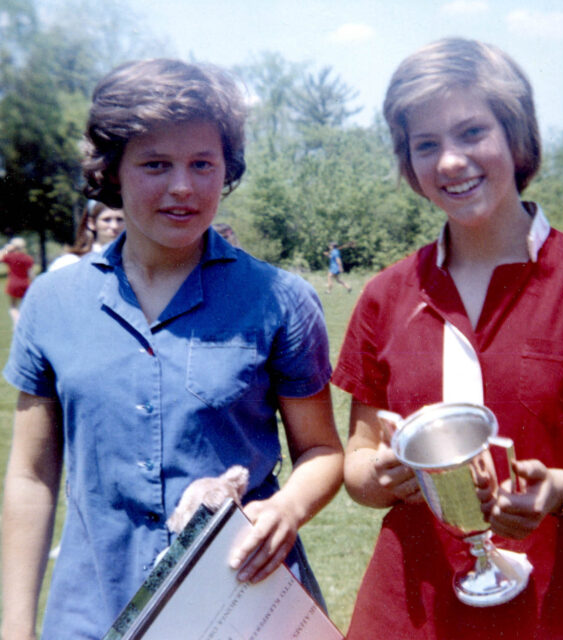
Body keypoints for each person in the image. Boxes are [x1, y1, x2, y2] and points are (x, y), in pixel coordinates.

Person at [1, 58, 344, 640]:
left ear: (226, 169)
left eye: (202, 164)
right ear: (113, 172)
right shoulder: (50, 302)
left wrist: (286, 511)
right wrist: (13, 627)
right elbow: (32, 475)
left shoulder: (282, 300)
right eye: (156, 164)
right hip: (94, 614)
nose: (182, 186)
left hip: (241, 606)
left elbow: (322, 452)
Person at [332, 38, 563, 639]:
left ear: (516, 137)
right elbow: (357, 465)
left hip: (557, 616)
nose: (450, 161)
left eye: (472, 132)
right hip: (405, 619)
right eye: (426, 144)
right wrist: (383, 476)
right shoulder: (386, 296)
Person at [48, 200, 125, 271]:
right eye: (106, 220)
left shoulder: (132, 262)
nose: (115, 226)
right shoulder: (69, 263)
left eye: (119, 219)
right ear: (91, 223)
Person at [0, 237, 34, 328]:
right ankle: (24, 323)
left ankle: (16, 322)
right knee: (24, 306)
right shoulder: (28, 258)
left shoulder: (10, 256)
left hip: (13, 284)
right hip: (25, 284)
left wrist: (6, 249)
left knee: (13, 306)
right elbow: (31, 274)